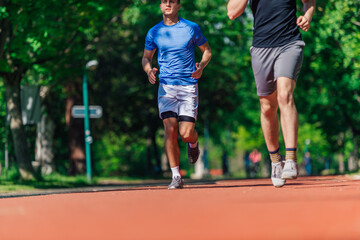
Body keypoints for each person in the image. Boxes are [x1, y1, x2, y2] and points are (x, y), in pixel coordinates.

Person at [227, 0, 315, 187]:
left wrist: (307, 16)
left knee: (285, 95)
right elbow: (232, 13)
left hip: (289, 43)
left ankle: (291, 158)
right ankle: (276, 160)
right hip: (261, 47)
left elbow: (309, 1)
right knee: (267, 107)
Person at [142, 0, 212, 189]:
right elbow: (146, 57)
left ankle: (194, 142)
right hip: (166, 87)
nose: (168, 4)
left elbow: (207, 52)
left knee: (185, 133)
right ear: (160, 5)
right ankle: (176, 176)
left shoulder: (191, 28)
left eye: (172, 1)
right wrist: (149, 70)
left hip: (188, 86)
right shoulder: (154, 32)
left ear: (178, 5)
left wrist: (202, 67)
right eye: (164, 1)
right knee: (170, 131)